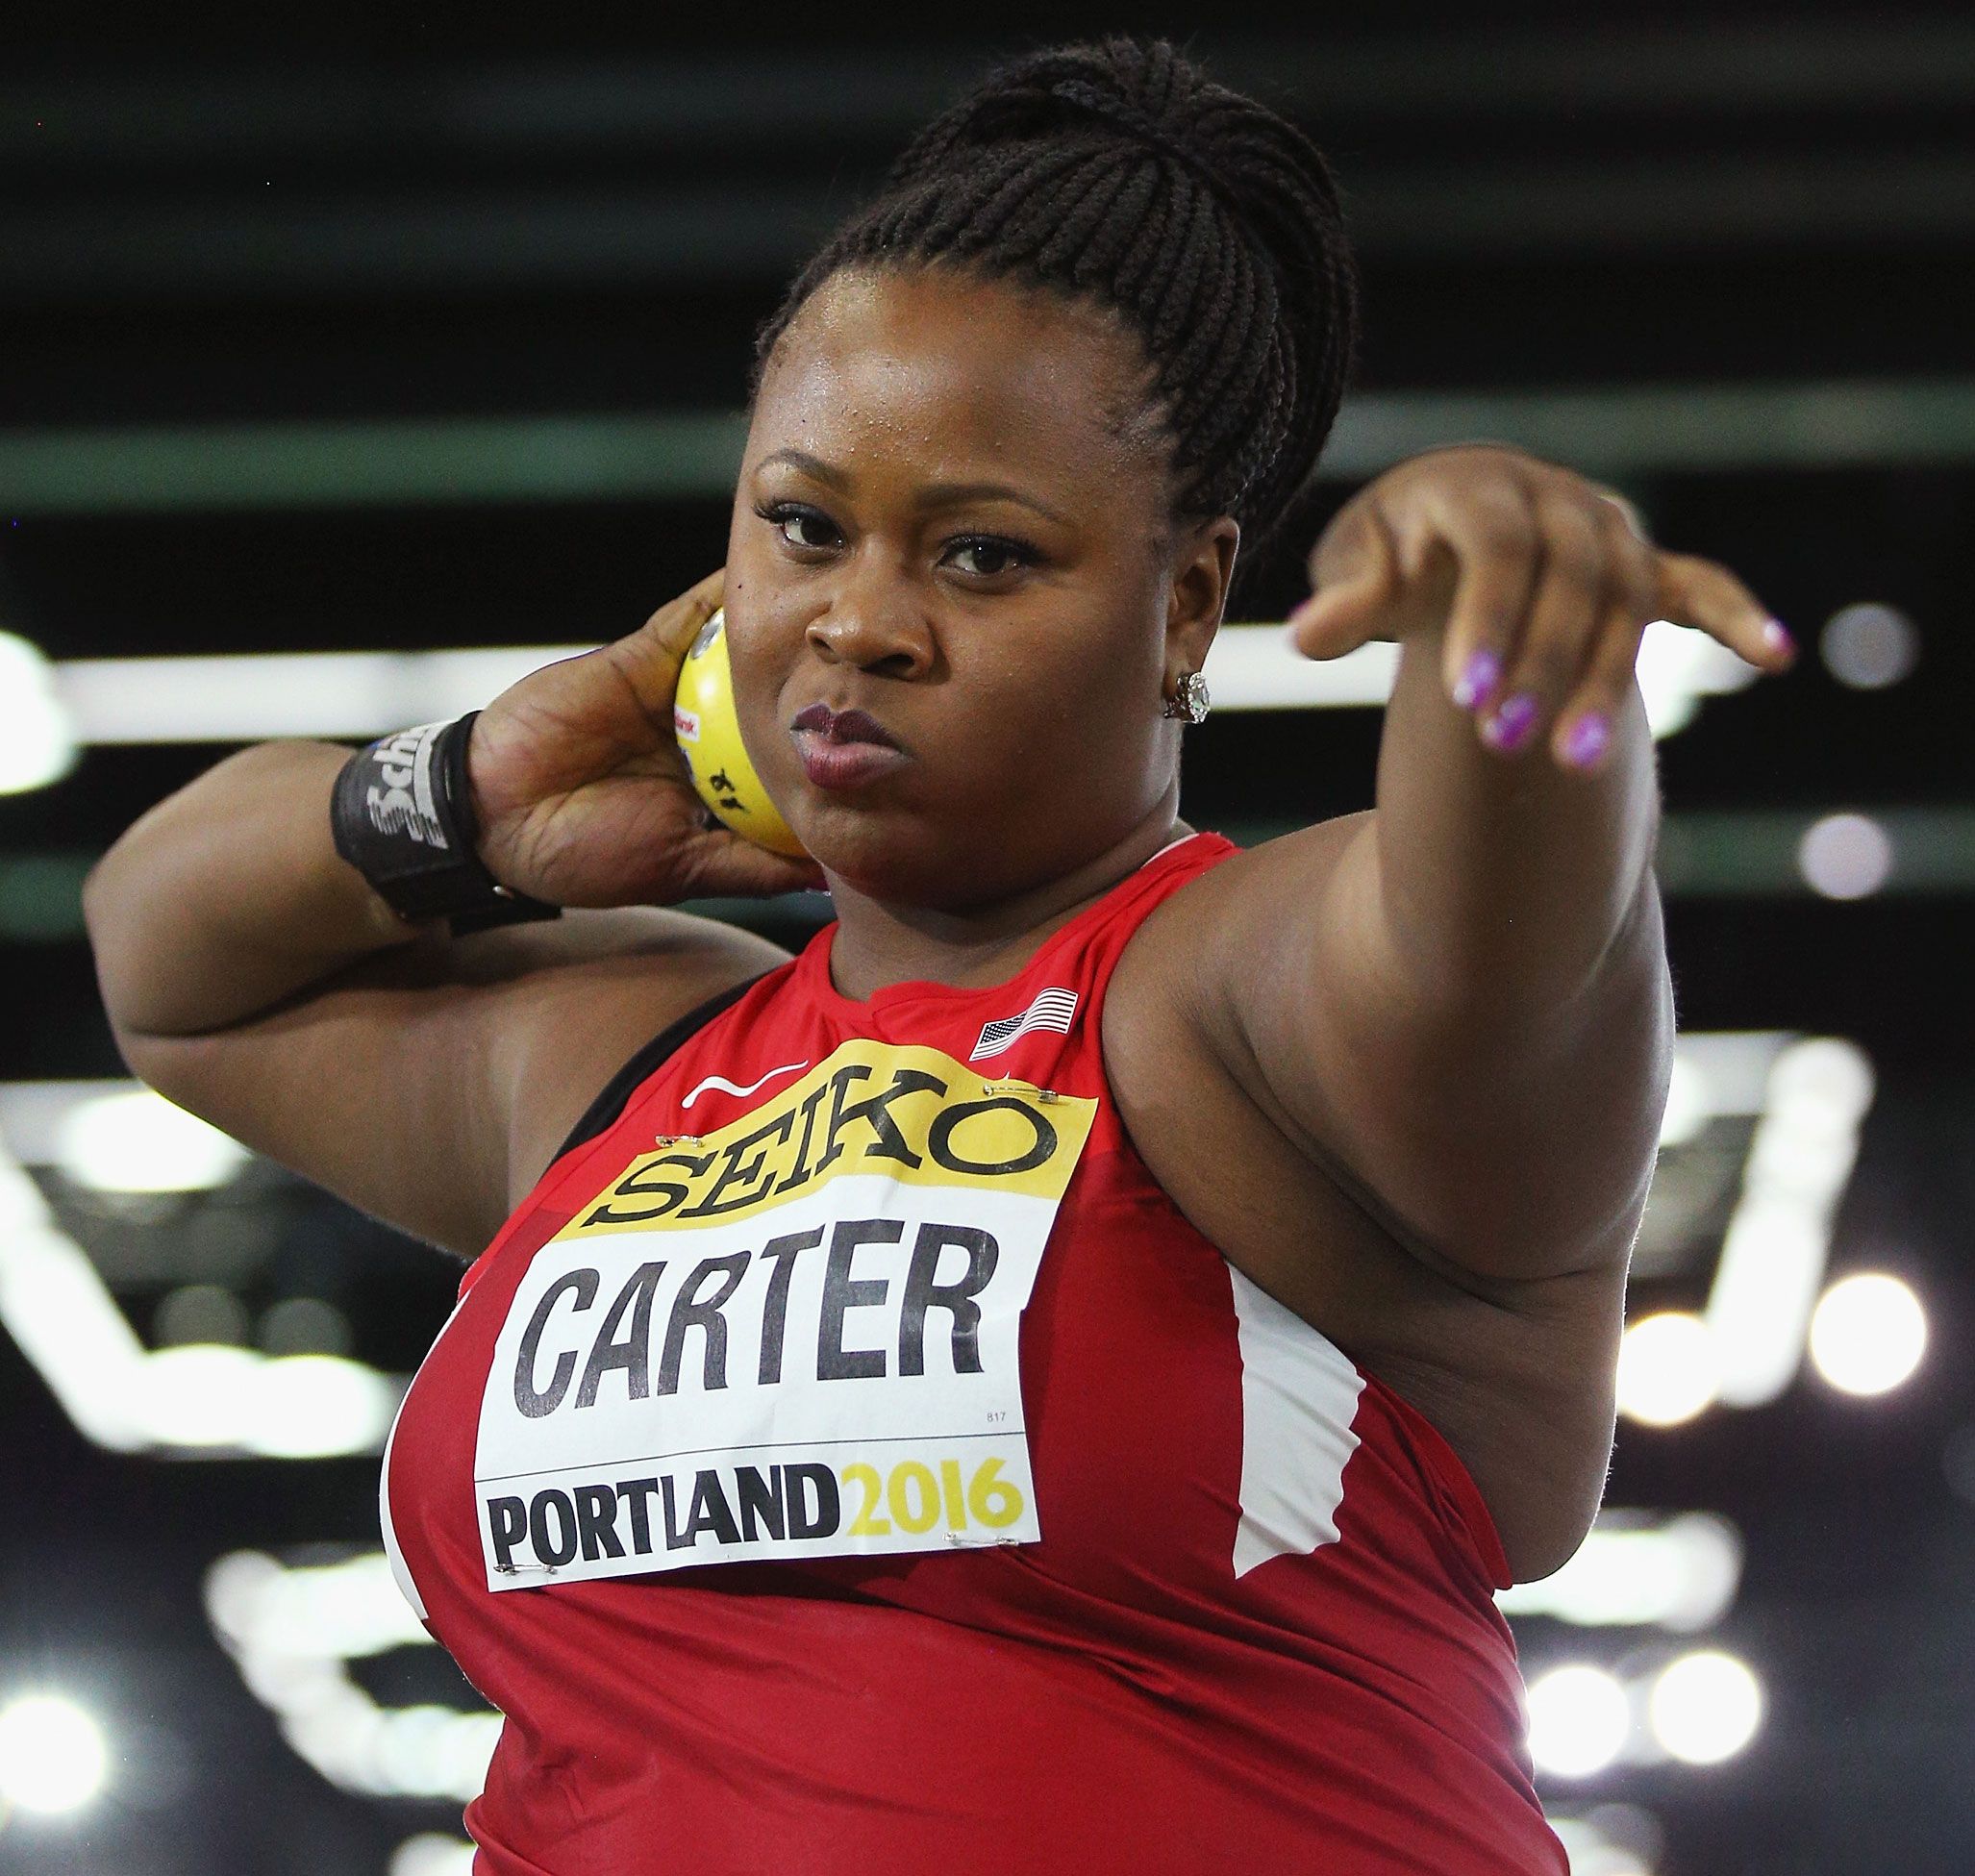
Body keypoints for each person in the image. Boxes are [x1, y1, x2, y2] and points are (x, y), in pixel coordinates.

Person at [84, 37, 1792, 1876]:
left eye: (981, 558)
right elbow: (168, 958)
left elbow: (1500, 948)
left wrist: (1524, 646)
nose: (857, 622)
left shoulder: (1223, 1003)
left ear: (1189, 602)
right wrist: (479, 794)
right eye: (801, 527)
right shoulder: (626, 1065)